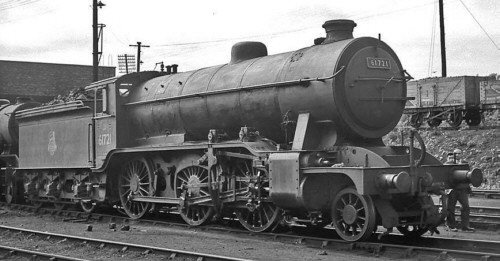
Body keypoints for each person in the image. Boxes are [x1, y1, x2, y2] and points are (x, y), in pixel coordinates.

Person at [445, 149, 475, 232]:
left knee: (465, 207)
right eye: (456, 153)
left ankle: (465, 226)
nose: (458, 155)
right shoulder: (448, 163)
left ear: (462, 154)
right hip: (452, 189)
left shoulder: (465, 163)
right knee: (450, 208)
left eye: (459, 153)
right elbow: (444, 175)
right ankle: (451, 225)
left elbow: (468, 175)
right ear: (453, 154)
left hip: (462, 189)